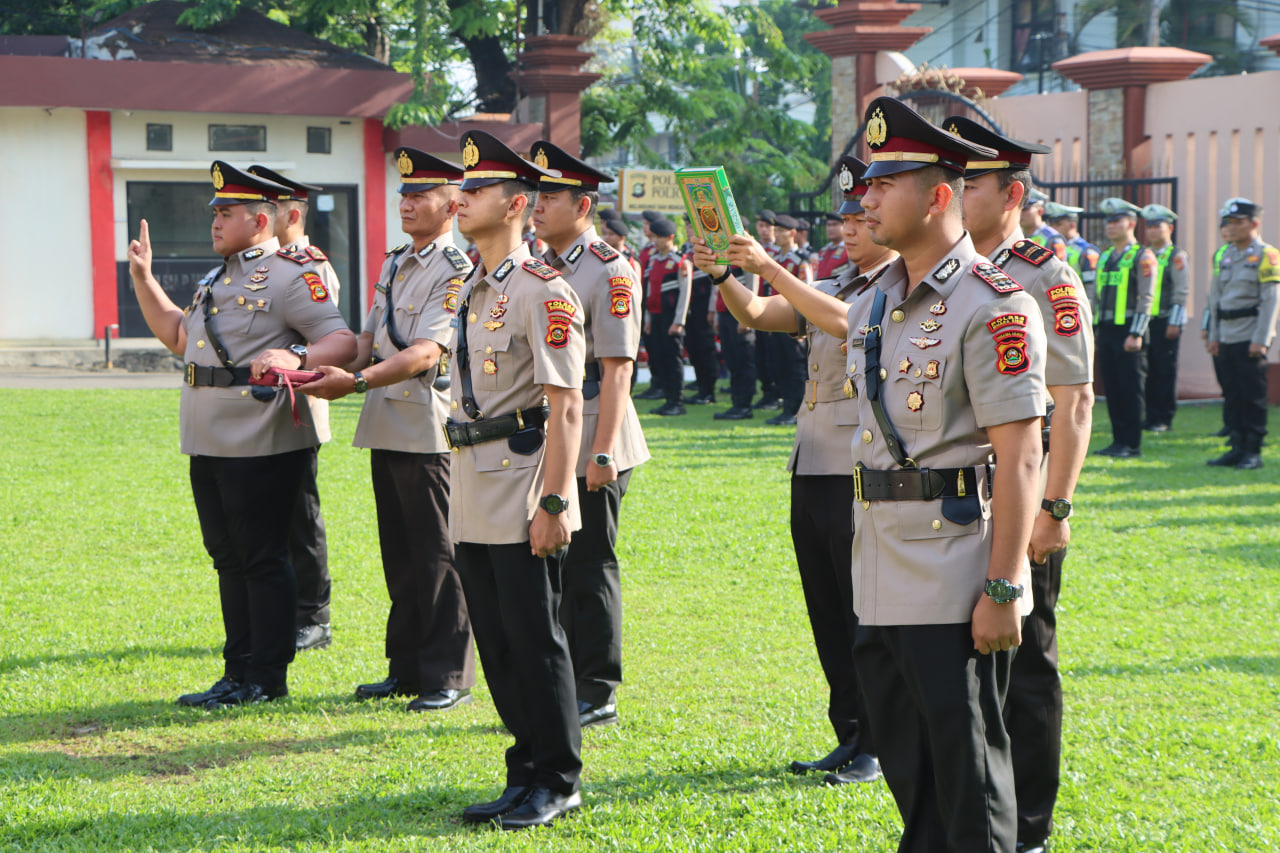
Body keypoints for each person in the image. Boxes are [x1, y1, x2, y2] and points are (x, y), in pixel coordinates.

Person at [734, 97, 1047, 853]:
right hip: (880, 563)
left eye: (884, 182)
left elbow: (1022, 455)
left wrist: (1004, 585)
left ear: (937, 195)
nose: (865, 197)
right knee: (912, 765)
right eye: (866, 183)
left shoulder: (994, 306)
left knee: (967, 771)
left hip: (952, 566)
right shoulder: (876, 302)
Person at [127, 161, 357, 708]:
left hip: (262, 437)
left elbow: (342, 340)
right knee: (227, 559)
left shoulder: (289, 275)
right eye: (214, 213)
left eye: (226, 213)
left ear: (261, 220)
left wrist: (296, 355)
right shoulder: (217, 277)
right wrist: (144, 277)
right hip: (208, 436)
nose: (215, 221)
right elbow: (180, 339)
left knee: (261, 558)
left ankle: (266, 677)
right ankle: (237, 672)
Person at [692, 154, 888, 787]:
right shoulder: (837, 283)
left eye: (859, 218)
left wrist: (769, 265)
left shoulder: (894, 289)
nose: (848, 229)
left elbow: (843, 325)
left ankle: (877, 741)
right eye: (843, 219)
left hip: (857, 468)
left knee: (862, 611)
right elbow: (755, 315)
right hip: (812, 463)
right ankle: (850, 732)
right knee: (826, 608)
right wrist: (724, 272)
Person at [945, 116, 1095, 853]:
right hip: (959, 496)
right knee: (966, 660)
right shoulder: (949, 271)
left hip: (1023, 488)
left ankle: (1028, 824)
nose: (957, 193)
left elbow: (1074, 400)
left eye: (970, 182)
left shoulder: (1044, 272)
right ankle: (980, 810)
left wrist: (1055, 509)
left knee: (1027, 662)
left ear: (1013, 192)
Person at [298, 147, 476, 712]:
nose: (407, 203)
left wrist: (354, 383)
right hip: (387, 422)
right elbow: (366, 340)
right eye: (403, 193)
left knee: (437, 555)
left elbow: (425, 352)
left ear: (451, 209)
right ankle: (404, 667)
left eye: (420, 195)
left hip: (427, 427)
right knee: (399, 555)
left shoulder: (457, 270)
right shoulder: (396, 262)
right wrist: (306, 364)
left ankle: (447, 675)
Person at [447, 130, 586, 829]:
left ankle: (559, 776)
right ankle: (525, 766)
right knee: (497, 642)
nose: (460, 197)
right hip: (473, 483)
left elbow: (567, 405)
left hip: (525, 480)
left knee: (536, 637)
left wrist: (555, 501)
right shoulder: (472, 288)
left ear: (516, 205)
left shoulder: (543, 292)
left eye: (474, 190)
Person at [530, 140, 651, 730]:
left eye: (549, 197)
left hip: (597, 430)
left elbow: (618, 367)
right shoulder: (536, 265)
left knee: (590, 562)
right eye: (534, 196)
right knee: (550, 560)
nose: (536, 207)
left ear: (582, 204)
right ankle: (561, 677)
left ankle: (596, 687)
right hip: (551, 431)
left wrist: (601, 451)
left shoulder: (608, 268)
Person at [247, 164, 340, 654]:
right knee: (270, 520)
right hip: (260, 412)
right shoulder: (258, 266)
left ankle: (314, 616)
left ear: (292, 214)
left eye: (270, 210)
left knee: (301, 519)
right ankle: (282, 611)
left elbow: (324, 337)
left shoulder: (310, 266)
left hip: (297, 407)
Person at [1206, 197, 1279, 470]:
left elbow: (1271, 301)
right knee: (1232, 395)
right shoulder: (1224, 254)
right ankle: (1236, 447)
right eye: (1229, 223)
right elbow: (1215, 298)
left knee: (1252, 396)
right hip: (1225, 335)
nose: (1232, 228)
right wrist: (1213, 334)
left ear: (1254, 223)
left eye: (1237, 222)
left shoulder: (1267, 255)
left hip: (1250, 335)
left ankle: (1253, 451)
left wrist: (1261, 339)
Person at [1093, 197, 1156, 458]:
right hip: (1107, 330)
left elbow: (1147, 297)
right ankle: (1118, 440)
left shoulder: (1143, 255)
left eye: (1116, 221)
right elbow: (1097, 295)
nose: (1111, 226)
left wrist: (1136, 332)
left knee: (1131, 389)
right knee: (1113, 388)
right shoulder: (1106, 256)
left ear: (1131, 223)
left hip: (1129, 331)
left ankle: (1131, 443)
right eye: (1108, 222)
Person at [1140, 204, 1190, 433]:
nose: (1152, 231)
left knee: (1164, 371)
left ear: (1169, 228)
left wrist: (1175, 322)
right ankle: (1150, 416)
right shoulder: (1146, 254)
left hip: (1166, 320)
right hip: (1147, 321)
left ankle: (1163, 418)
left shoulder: (1176, 256)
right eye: (1149, 226)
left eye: (1156, 226)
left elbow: (1181, 291)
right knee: (1148, 370)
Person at [765, 214, 812, 426]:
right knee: (778, 365)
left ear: (793, 233)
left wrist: (804, 325)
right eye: (777, 231)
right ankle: (786, 408)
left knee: (795, 368)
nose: (779, 235)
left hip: (794, 321)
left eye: (783, 231)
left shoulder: (800, 260)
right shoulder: (776, 259)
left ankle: (796, 410)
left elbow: (808, 293)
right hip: (777, 321)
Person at [643, 218, 692, 416]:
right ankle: (668, 399)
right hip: (655, 316)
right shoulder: (655, 260)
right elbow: (649, 291)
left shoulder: (680, 261)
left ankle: (677, 401)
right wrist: (647, 319)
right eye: (654, 236)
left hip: (671, 317)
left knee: (673, 360)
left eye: (659, 237)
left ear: (670, 238)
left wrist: (679, 321)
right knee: (660, 358)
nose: (655, 240)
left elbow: (685, 294)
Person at [680, 215, 720, 405]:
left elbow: (716, 282)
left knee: (705, 348)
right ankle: (700, 385)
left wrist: (712, 308)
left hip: (704, 304)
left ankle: (709, 390)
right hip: (691, 306)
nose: (689, 229)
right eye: (687, 225)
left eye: (692, 225)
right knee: (693, 346)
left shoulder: (709, 249)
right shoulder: (684, 250)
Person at [753, 209, 781, 410]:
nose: (763, 230)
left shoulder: (780, 252)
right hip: (758, 303)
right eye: (760, 226)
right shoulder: (757, 249)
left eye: (767, 226)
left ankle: (778, 395)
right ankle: (767, 392)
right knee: (760, 354)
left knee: (776, 355)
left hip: (776, 306)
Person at [1044, 201, 1099, 292]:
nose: (1053, 229)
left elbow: (1091, 288)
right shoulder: (1053, 245)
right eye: (1051, 225)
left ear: (1072, 225)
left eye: (1058, 224)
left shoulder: (1086, 251)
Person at [1020, 189, 1068, 262]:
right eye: (1019, 208)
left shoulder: (1052, 238)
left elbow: (1059, 271)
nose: (1020, 213)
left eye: (1025, 209)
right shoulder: (1019, 236)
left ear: (1040, 211)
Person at [813, 212, 852, 281]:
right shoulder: (823, 251)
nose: (831, 228)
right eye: (828, 225)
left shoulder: (849, 249)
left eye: (835, 225)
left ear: (844, 226)